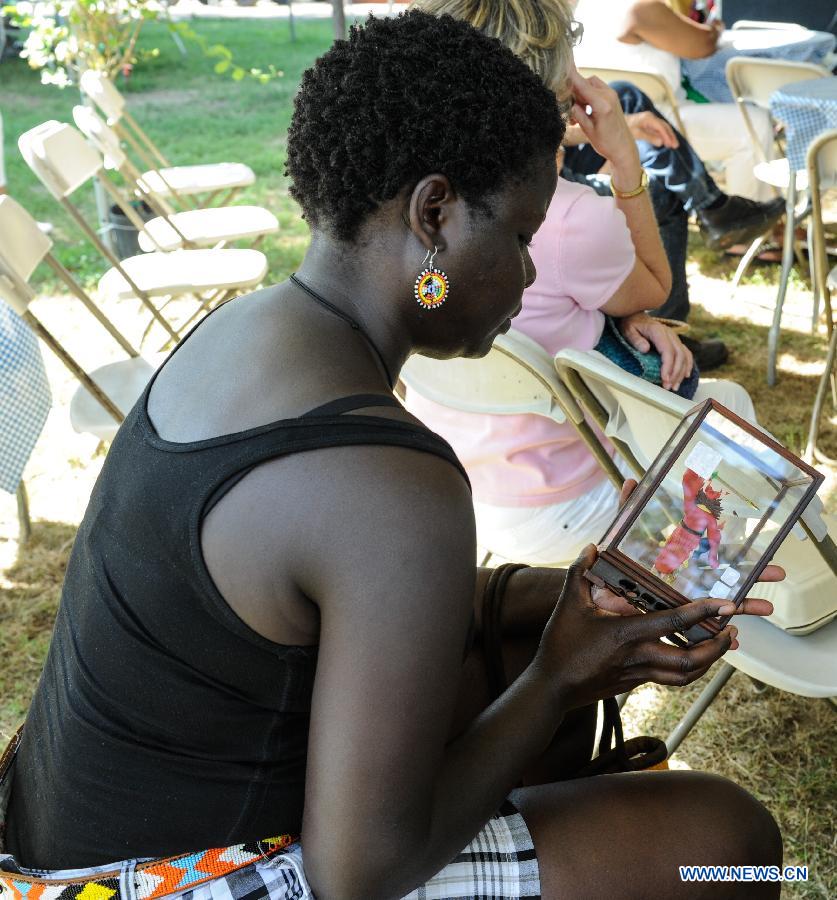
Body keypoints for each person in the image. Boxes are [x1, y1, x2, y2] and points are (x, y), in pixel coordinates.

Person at [1, 12, 783, 900]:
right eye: (521, 239)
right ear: (435, 214)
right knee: (729, 838)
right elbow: (361, 872)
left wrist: (560, 597)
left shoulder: (242, 329)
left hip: (55, 844)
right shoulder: (388, 481)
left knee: (513, 657)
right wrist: (563, 676)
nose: (528, 276)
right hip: (162, 881)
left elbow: (329, 608)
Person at [409, 0, 762, 564]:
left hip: (451, 488)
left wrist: (617, 316)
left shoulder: (406, 205)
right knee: (731, 407)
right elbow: (655, 287)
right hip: (573, 506)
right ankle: (694, 592)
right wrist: (624, 159)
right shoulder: (571, 215)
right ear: (561, 88)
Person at [572, 0, 778, 203]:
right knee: (755, 124)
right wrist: (714, 27)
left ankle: (753, 213)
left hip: (603, 123)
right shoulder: (641, 8)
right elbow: (704, 44)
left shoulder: (584, 7)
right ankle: (743, 221)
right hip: (651, 118)